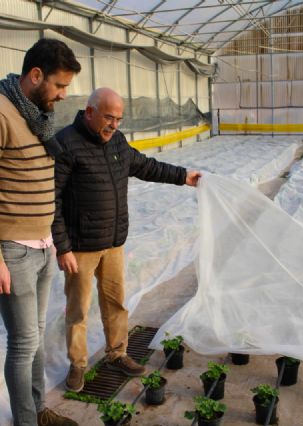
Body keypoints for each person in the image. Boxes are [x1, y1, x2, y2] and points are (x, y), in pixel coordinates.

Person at [52, 87, 202, 392]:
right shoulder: (66, 144)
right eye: (109, 117)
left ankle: (117, 353)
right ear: (90, 111)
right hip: (80, 247)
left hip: (113, 242)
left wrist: (182, 175)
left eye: (119, 119)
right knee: (78, 309)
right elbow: (50, 199)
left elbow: (146, 166)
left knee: (115, 302)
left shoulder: (117, 141)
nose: (114, 125)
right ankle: (78, 365)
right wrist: (63, 246)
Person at [0, 38, 81, 426]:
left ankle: (37, 410)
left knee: (35, 338)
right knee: (23, 343)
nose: (64, 95)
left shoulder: (36, 115)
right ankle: (27, 421)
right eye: (60, 85)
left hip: (43, 244)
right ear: (35, 76)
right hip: (13, 251)